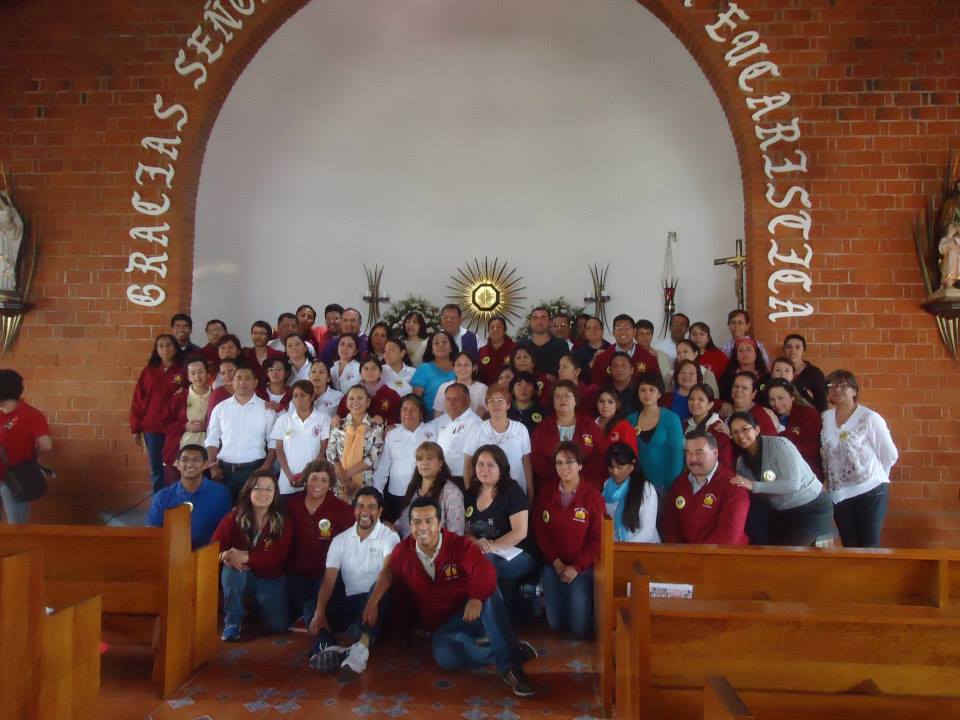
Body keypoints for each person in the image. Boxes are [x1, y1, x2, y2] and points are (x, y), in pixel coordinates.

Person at [364, 496, 537, 696]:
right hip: (444, 626)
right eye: (417, 522)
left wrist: (476, 598)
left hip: (474, 613)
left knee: (490, 593)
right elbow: (392, 579)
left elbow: (485, 570)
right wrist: (375, 604)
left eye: (429, 521)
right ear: (410, 526)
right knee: (445, 657)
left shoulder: (459, 545)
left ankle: (511, 668)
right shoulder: (402, 553)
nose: (423, 527)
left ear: (439, 524)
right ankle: (505, 650)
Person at [308, 486, 400, 674]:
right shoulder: (340, 540)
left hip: (377, 604)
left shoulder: (389, 537)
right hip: (352, 603)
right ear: (354, 510)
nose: (365, 512)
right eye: (360, 506)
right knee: (313, 605)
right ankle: (326, 647)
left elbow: (387, 573)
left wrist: (372, 603)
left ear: (380, 511)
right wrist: (320, 611)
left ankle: (361, 649)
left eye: (371, 507)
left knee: (383, 590)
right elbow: (329, 580)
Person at [728, 412, 835, 546]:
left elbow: (792, 484)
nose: (741, 436)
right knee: (769, 549)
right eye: (735, 432)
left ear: (756, 429)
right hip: (782, 512)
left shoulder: (779, 444)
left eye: (745, 429)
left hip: (812, 507)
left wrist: (753, 485)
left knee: (789, 555)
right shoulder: (741, 462)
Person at [532, 442, 604, 639]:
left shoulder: (593, 496)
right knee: (556, 624)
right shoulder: (546, 492)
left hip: (582, 567)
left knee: (579, 628)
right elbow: (540, 532)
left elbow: (597, 539)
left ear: (580, 465)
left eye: (570, 462)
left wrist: (577, 567)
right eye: (559, 462)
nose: (564, 467)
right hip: (553, 565)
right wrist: (556, 563)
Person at [821, 369, 898, 548]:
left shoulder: (869, 418)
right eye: (832, 385)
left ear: (854, 390)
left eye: (843, 385)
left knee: (869, 546)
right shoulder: (825, 418)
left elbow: (890, 454)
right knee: (849, 546)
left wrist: (875, 476)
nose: (837, 389)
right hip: (839, 494)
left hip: (870, 490)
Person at [212, 471, 292, 641]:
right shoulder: (235, 515)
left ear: (275, 493)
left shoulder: (283, 520)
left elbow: (277, 557)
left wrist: (246, 557)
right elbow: (213, 547)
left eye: (269, 489)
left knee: (279, 626)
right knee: (231, 569)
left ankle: (257, 606)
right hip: (243, 574)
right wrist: (225, 555)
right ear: (249, 491)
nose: (263, 493)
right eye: (257, 488)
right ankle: (232, 623)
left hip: (270, 577)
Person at [464, 445, 538, 620]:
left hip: (520, 553)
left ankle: (490, 626)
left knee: (484, 567)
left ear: (501, 468)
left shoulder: (513, 491)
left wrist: (491, 546)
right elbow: (466, 530)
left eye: (490, 465)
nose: (484, 469)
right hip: (485, 552)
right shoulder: (471, 492)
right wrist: (477, 542)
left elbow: (520, 532)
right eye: (480, 464)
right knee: (482, 567)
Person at [285, 459, 354, 629]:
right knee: (292, 616)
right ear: (306, 479)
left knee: (317, 612)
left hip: (325, 575)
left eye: (324, 480)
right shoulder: (291, 505)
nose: (318, 484)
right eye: (314, 478)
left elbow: (356, 531)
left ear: (330, 484)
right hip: (295, 573)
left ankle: (322, 634)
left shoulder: (340, 508)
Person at [659, 431, 749, 545]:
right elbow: (670, 525)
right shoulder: (680, 483)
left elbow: (729, 535)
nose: (693, 459)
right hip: (684, 553)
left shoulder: (734, 487)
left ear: (715, 453)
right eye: (689, 453)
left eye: (699, 453)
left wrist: (696, 554)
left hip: (724, 554)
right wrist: (679, 551)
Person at [205, 360, 277, 501]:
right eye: (238, 378)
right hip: (224, 471)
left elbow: (273, 441)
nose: (242, 382)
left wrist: (267, 466)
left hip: (255, 469)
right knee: (225, 510)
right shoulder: (220, 408)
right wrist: (212, 465)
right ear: (232, 382)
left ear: (255, 382)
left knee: (252, 510)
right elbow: (212, 438)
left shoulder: (266, 409)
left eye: (247, 378)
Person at [146, 444, 231, 548]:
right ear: (177, 464)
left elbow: (226, 530)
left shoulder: (220, 493)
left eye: (196, 460)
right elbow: (153, 531)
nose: (190, 464)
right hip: (172, 552)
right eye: (184, 460)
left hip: (209, 553)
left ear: (205, 465)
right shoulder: (162, 496)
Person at [531, 380, 608, 492]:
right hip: (551, 486)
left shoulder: (589, 425)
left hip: (586, 485)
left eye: (567, 396)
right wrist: (560, 475)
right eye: (558, 396)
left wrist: (577, 477)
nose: (562, 400)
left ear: (575, 400)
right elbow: (536, 458)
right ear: (553, 402)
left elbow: (600, 454)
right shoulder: (543, 428)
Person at [131, 334, 185, 492]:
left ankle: (176, 502)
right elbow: (138, 400)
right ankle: (159, 502)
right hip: (152, 427)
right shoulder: (149, 371)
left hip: (175, 427)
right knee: (156, 468)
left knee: (174, 467)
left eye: (169, 345)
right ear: (156, 350)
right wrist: (135, 428)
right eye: (161, 346)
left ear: (175, 348)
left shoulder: (183, 370)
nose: (165, 349)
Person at [0, 369, 52, 524]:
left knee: (17, 526)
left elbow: (46, 445)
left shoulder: (30, 415)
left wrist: (30, 457)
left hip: (14, 478)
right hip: (10, 476)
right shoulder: (30, 414)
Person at [462, 384, 533, 496]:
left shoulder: (520, 429)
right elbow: (467, 465)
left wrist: (530, 491)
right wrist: (469, 492)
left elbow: (526, 463)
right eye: (492, 400)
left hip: (516, 491)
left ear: (508, 404)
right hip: (484, 493)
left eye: (500, 400)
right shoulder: (477, 429)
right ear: (486, 405)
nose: (496, 404)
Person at [373, 395, 435, 522]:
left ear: (421, 413)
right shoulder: (392, 434)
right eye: (404, 409)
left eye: (413, 409)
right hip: (397, 494)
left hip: (423, 493)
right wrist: (377, 494)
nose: (408, 413)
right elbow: (383, 467)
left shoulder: (433, 430)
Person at [627, 373, 684, 497]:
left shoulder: (671, 418)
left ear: (659, 394)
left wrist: (671, 486)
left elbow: (677, 456)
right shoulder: (630, 420)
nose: (647, 394)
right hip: (638, 486)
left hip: (666, 486)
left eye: (652, 390)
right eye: (642, 390)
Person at [394, 441, 465, 538]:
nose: (424, 463)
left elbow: (456, 534)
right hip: (406, 544)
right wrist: (391, 527)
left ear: (441, 462)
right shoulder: (413, 488)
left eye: (429, 458)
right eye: (420, 459)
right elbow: (403, 523)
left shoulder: (452, 493)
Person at [271, 380, 330, 496]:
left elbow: (323, 450)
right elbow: (279, 450)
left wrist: (307, 474)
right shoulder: (283, 420)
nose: (298, 399)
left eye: (303, 395)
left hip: (313, 479)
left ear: (312, 397)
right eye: (295, 396)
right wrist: (289, 475)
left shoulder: (323, 419)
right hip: (287, 480)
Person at [326, 385, 384, 501]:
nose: (355, 402)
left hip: (364, 485)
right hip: (339, 484)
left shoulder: (376, 427)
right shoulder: (338, 425)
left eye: (360, 398)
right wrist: (344, 479)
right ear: (346, 402)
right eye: (351, 398)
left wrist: (346, 475)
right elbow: (331, 454)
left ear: (368, 402)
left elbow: (373, 458)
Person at [162, 354, 212, 485]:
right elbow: (164, 423)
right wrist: (185, 426)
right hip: (179, 453)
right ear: (188, 377)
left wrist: (206, 426)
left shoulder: (216, 397)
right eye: (193, 373)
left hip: (206, 455)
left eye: (200, 372)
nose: (197, 376)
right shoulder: (179, 397)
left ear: (208, 373)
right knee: (177, 491)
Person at [766, 378, 823, 480]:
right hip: (783, 476)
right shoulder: (772, 416)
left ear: (792, 396)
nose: (776, 404)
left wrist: (778, 428)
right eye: (772, 400)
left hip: (808, 476)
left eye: (781, 398)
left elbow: (805, 448)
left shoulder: (808, 414)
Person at [602, 443, 659, 543]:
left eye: (620, 468)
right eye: (611, 467)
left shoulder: (646, 489)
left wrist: (623, 548)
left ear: (632, 465)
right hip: (615, 545)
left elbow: (647, 532)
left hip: (642, 547)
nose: (615, 472)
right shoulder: (607, 486)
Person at [427, 383, 482, 482]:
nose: (451, 403)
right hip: (440, 476)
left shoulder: (476, 424)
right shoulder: (441, 420)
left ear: (467, 401)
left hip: (462, 478)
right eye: (448, 399)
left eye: (456, 399)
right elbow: (423, 430)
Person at [590, 314, 660, 386]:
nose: (622, 332)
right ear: (613, 332)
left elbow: (658, 387)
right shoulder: (602, 359)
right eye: (618, 328)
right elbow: (595, 388)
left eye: (627, 327)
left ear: (634, 332)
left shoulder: (649, 358)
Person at [337, 357, 402, 425]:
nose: (370, 372)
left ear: (380, 372)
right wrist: (337, 418)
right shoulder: (352, 393)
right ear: (360, 373)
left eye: (374, 368)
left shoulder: (391, 395)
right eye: (366, 369)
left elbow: (398, 419)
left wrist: (385, 421)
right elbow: (340, 415)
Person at [685, 383, 734, 471]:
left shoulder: (718, 428)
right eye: (691, 399)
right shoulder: (685, 425)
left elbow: (724, 464)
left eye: (701, 400)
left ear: (710, 405)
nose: (695, 403)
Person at [410, 331, 457, 419]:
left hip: (458, 421)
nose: (440, 345)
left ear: (451, 347)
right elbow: (415, 401)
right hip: (431, 422)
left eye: (444, 342)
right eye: (436, 343)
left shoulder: (460, 368)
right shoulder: (424, 369)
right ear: (431, 349)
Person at [433, 352, 488, 418]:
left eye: (466, 364)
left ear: (474, 367)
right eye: (458, 365)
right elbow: (437, 416)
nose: (462, 368)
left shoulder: (482, 388)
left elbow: (486, 415)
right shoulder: (444, 387)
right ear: (453, 368)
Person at [519, 307, 569, 378]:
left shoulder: (561, 345)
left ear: (550, 323)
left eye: (543, 318)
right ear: (530, 322)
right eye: (535, 318)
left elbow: (566, 370)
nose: (539, 321)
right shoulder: (521, 344)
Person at [782, 334, 827, 412]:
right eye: (789, 347)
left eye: (797, 347)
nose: (793, 351)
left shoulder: (815, 373)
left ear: (803, 352)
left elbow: (822, 402)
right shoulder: (778, 371)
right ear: (784, 350)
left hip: (808, 415)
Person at [726, 371, 780, 436]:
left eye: (744, 388)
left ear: (753, 393)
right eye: (736, 386)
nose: (739, 390)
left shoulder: (761, 415)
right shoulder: (723, 409)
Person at [719, 337, 770, 404]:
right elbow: (723, 398)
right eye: (740, 351)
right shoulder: (728, 377)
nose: (745, 353)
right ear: (736, 356)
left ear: (756, 354)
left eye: (749, 350)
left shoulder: (766, 376)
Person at [243, 320, 285, 388]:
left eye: (262, 333)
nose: (258, 336)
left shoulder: (279, 355)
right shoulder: (246, 356)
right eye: (255, 333)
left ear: (269, 336)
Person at [594, 388, 636, 454]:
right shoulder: (589, 424)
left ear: (617, 404)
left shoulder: (625, 427)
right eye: (601, 401)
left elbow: (630, 455)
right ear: (596, 404)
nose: (605, 406)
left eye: (610, 402)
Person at [477, 316, 516, 385]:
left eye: (499, 327)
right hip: (487, 389)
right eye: (492, 327)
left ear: (504, 331)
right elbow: (479, 375)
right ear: (488, 331)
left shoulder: (515, 348)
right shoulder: (482, 351)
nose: (495, 329)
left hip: (510, 389)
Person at [661, 359, 701, 424]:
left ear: (697, 378)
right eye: (682, 372)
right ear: (677, 376)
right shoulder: (665, 397)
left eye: (691, 373)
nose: (686, 376)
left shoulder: (705, 399)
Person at [606, 351, 639, 416]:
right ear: (610, 370)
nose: (619, 369)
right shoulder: (605, 391)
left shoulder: (639, 391)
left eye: (623, 365)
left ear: (632, 370)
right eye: (615, 366)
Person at [939, 221, 960, 289]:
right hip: (950, 269)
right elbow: (943, 249)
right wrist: (949, 237)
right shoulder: (946, 240)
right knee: (949, 284)